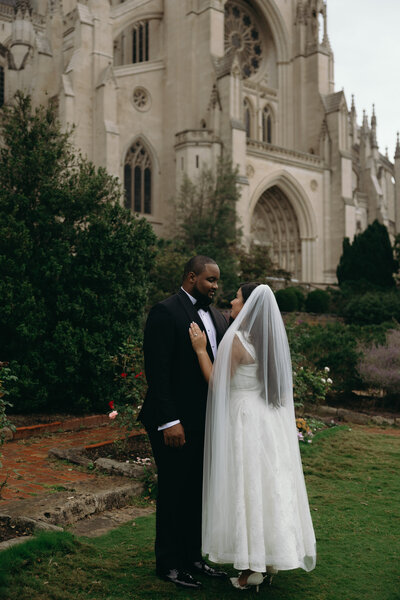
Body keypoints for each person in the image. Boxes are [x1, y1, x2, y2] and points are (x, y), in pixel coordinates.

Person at [189, 283, 316, 592]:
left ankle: (250, 569)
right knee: (268, 486)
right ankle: (268, 561)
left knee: (245, 487)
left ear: (247, 306)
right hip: (268, 421)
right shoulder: (269, 341)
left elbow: (217, 385)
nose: (232, 301)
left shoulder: (237, 340)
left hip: (243, 418)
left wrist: (200, 350)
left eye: (236, 297)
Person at [139, 255, 229, 590]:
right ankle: (168, 564)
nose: (215, 287)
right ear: (192, 277)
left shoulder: (218, 317)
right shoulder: (166, 311)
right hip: (174, 423)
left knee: (196, 493)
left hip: (206, 422)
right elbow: (157, 371)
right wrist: (169, 421)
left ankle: (193, 558)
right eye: (210, 280)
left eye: (218, 281)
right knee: (174, 492)